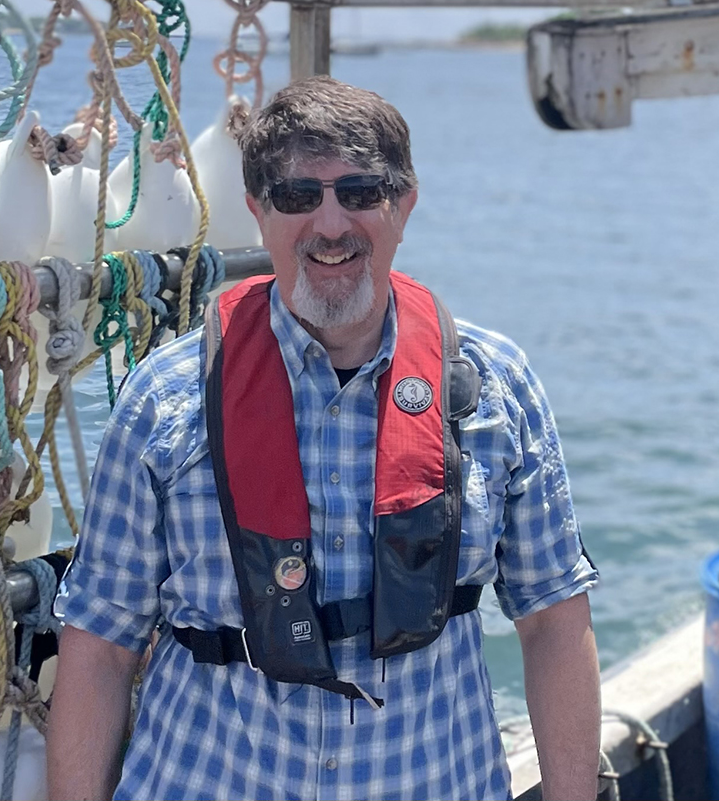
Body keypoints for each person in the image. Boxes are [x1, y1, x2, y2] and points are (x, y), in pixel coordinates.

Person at [47, 75, 601, 801]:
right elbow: (101, 644)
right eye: (298, 195)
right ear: (257, 211)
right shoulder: (163, 400)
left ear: (404, 205)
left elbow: (554, 619)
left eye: (361, 192)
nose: (331, 224)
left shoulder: (497, 388)